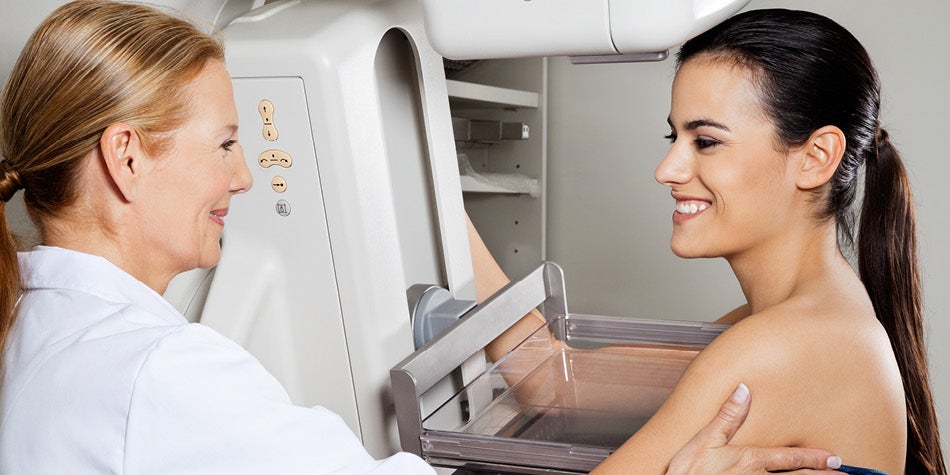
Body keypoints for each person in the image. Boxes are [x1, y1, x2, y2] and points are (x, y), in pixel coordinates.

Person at [0, 1, 857, 473]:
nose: (244, 176)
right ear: (125, 156)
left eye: (704, 140)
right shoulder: (162, 373)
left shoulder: (29, 327)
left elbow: (565, 379)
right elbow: (567, 380)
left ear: (816, 157)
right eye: (226, 145)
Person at [579, 8, 944, 475]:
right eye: (674, 136)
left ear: (816, 157)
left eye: (705, 141)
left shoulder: (784, 344)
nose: (666, 170)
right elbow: (557, 379)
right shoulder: (802, 318)